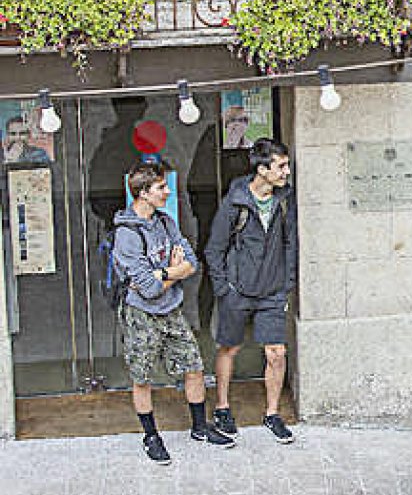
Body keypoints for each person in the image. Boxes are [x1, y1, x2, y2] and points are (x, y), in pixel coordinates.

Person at [114, 160, 234, 464]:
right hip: (141, 315)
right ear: (142, 193)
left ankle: (199, 426)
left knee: (193, 366)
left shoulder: (166, 222)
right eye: (161, 187)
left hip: (171, 311)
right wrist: (173, 271)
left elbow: (192, 263)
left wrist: (163, 273)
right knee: (142, 377)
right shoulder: (127, 234)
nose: (168, 191)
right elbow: (146, 288)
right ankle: (151, 436)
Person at [204, 138, 298, 444]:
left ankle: (272, 414)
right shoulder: (235, 202)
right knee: (229, 347)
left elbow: (290, 243)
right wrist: (224, 289)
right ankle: (222, 407)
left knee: (277, 353)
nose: (286, 171)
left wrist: (287, 285)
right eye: (281, 166)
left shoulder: (285, 199)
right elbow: (214, 249)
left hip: (272, 291)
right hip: (237, 290)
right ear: (262, 169)